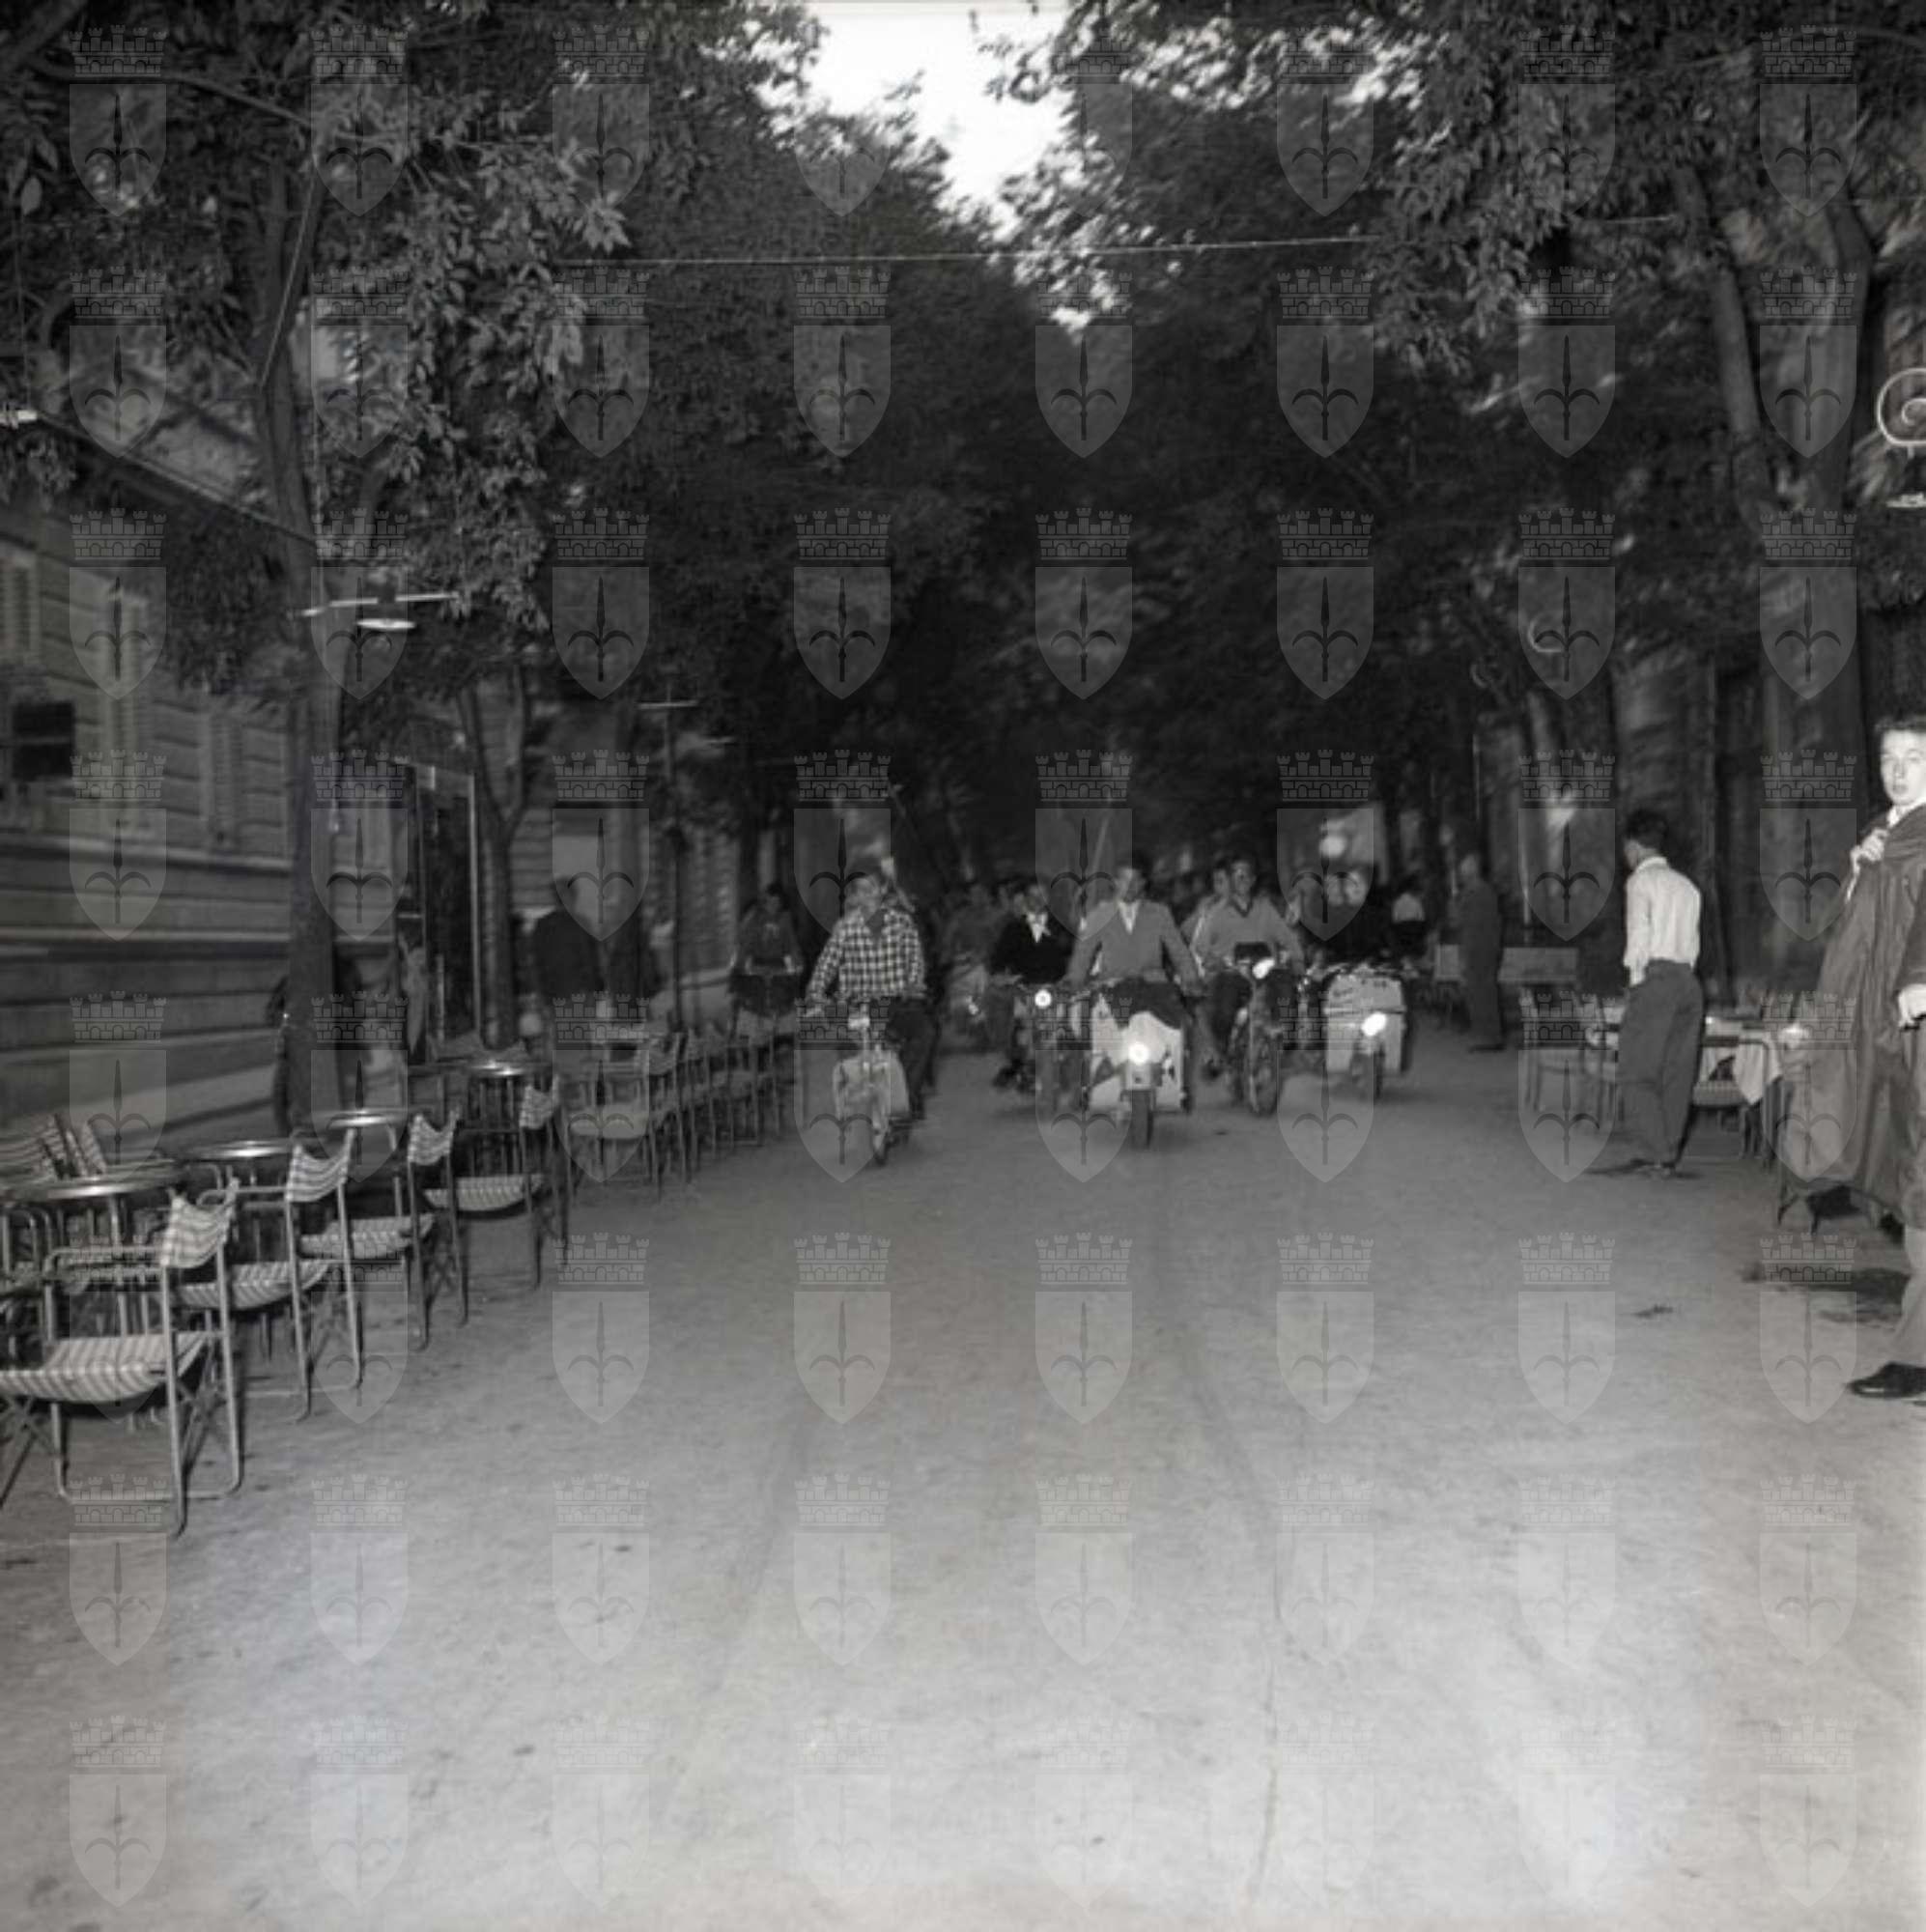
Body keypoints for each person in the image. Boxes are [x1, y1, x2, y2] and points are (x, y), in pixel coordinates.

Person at [1795, 717, 1926, 1401]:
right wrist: (1856, 872)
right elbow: (1847, 939)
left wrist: (1921, 977)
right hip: (1885, 1033)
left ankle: (1918, 1356)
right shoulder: (1884, 836)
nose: (1898, 771)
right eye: (1888, 758)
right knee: (1901, 1165)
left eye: (1915, 757)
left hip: (1917, 1026)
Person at [1595, 809, 1703, 1179]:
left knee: (1634, 1069)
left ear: (1634, 846)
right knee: (1676, 1072)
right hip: (1688, 981)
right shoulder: (1688, 886)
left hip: (1656, 978)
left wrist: (1635, 979)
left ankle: (1653, 1151)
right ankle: (1666, 1151)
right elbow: (1693, 944)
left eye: (1626, 848)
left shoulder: (1640, 882)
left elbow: (1639, 936)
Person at [1064, 854, 1202, 1096]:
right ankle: (1095, 1074)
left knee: (1180, 1026)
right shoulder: (1100, 914)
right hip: (1113, 987)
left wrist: (1191, 978)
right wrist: (1074, 980)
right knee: (1089, 1026)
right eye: (1123, 879)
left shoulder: (1160, 913)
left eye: (1135, 880)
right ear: (1114, 882)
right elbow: (1083, 953)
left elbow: (1178, 949)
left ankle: (1175, 1075)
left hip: (1154, 987)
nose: (1129, 886)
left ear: (1144, 883)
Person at [805, 869, 936, 1120]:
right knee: (845, 1044)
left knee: (925, 1034)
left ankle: (906, 1093)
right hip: (858, 1005)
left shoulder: (901, 923)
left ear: (882, 890)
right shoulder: (845, 928)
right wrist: (816, 991)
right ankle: (854, 1101)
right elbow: (827, 963)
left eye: (870, 889)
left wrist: (913, 984)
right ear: (854, 896)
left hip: (897, 1002)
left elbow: (915, 960)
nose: (865, 895)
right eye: (860, 890)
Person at [1189, 856, 1304, 1078]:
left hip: (1265, 970)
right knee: (1224, 1009)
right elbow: (1201, 945)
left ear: (1253, 880)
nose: (1241, 880)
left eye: (1246, 875)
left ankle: (1286, 1040)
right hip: (1233, 972)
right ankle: (1220, 1051)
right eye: (1236, 875)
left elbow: (1287, 938)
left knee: (1287, 987)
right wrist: (1215, 960)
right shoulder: (1217, 913)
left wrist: (1297, 959)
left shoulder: (1266, 909)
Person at [987, 878, 1074, 1087]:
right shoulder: (1014, 929)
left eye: (1042, 896)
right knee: (1009, 1018)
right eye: (1032, 896)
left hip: (1059, 989)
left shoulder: (1062, 926)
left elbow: (1078, 955)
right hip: (1025, 989)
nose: (1037, 901)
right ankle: (1017, 1061)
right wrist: (1002, 977)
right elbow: (997, 961)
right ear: (1025, 899)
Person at [729, 883, 802, 1018]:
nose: (773, 906)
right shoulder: (754, 918)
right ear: (765, 902)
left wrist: (796, 965)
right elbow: (744, 945)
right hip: (756, 970)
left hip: (778, 969)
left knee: (783, 1003)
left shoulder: (785, 919)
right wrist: (741, 970)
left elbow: (791, 945)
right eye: (770, 902)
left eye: (777, 902)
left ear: (781, 903)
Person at [1456, 850, 1505, 1049]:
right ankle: (1486, 1034)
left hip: (1479, 949)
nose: (1461, 873)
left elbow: (1473, 925)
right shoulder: (1481, 891)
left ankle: (1488, 1035)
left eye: (1464, 869)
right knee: (1480, 991)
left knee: (1480, 992)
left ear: (1472, 870)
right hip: (1483, 947)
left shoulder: (1477, 892)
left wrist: (1466, 953)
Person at [1391, 873, 1430, 961]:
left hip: (1402, 936)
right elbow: (1422, 918)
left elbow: (1395, 919)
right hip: (1415, 935)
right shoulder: (1416, 901)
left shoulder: (1397, 902)